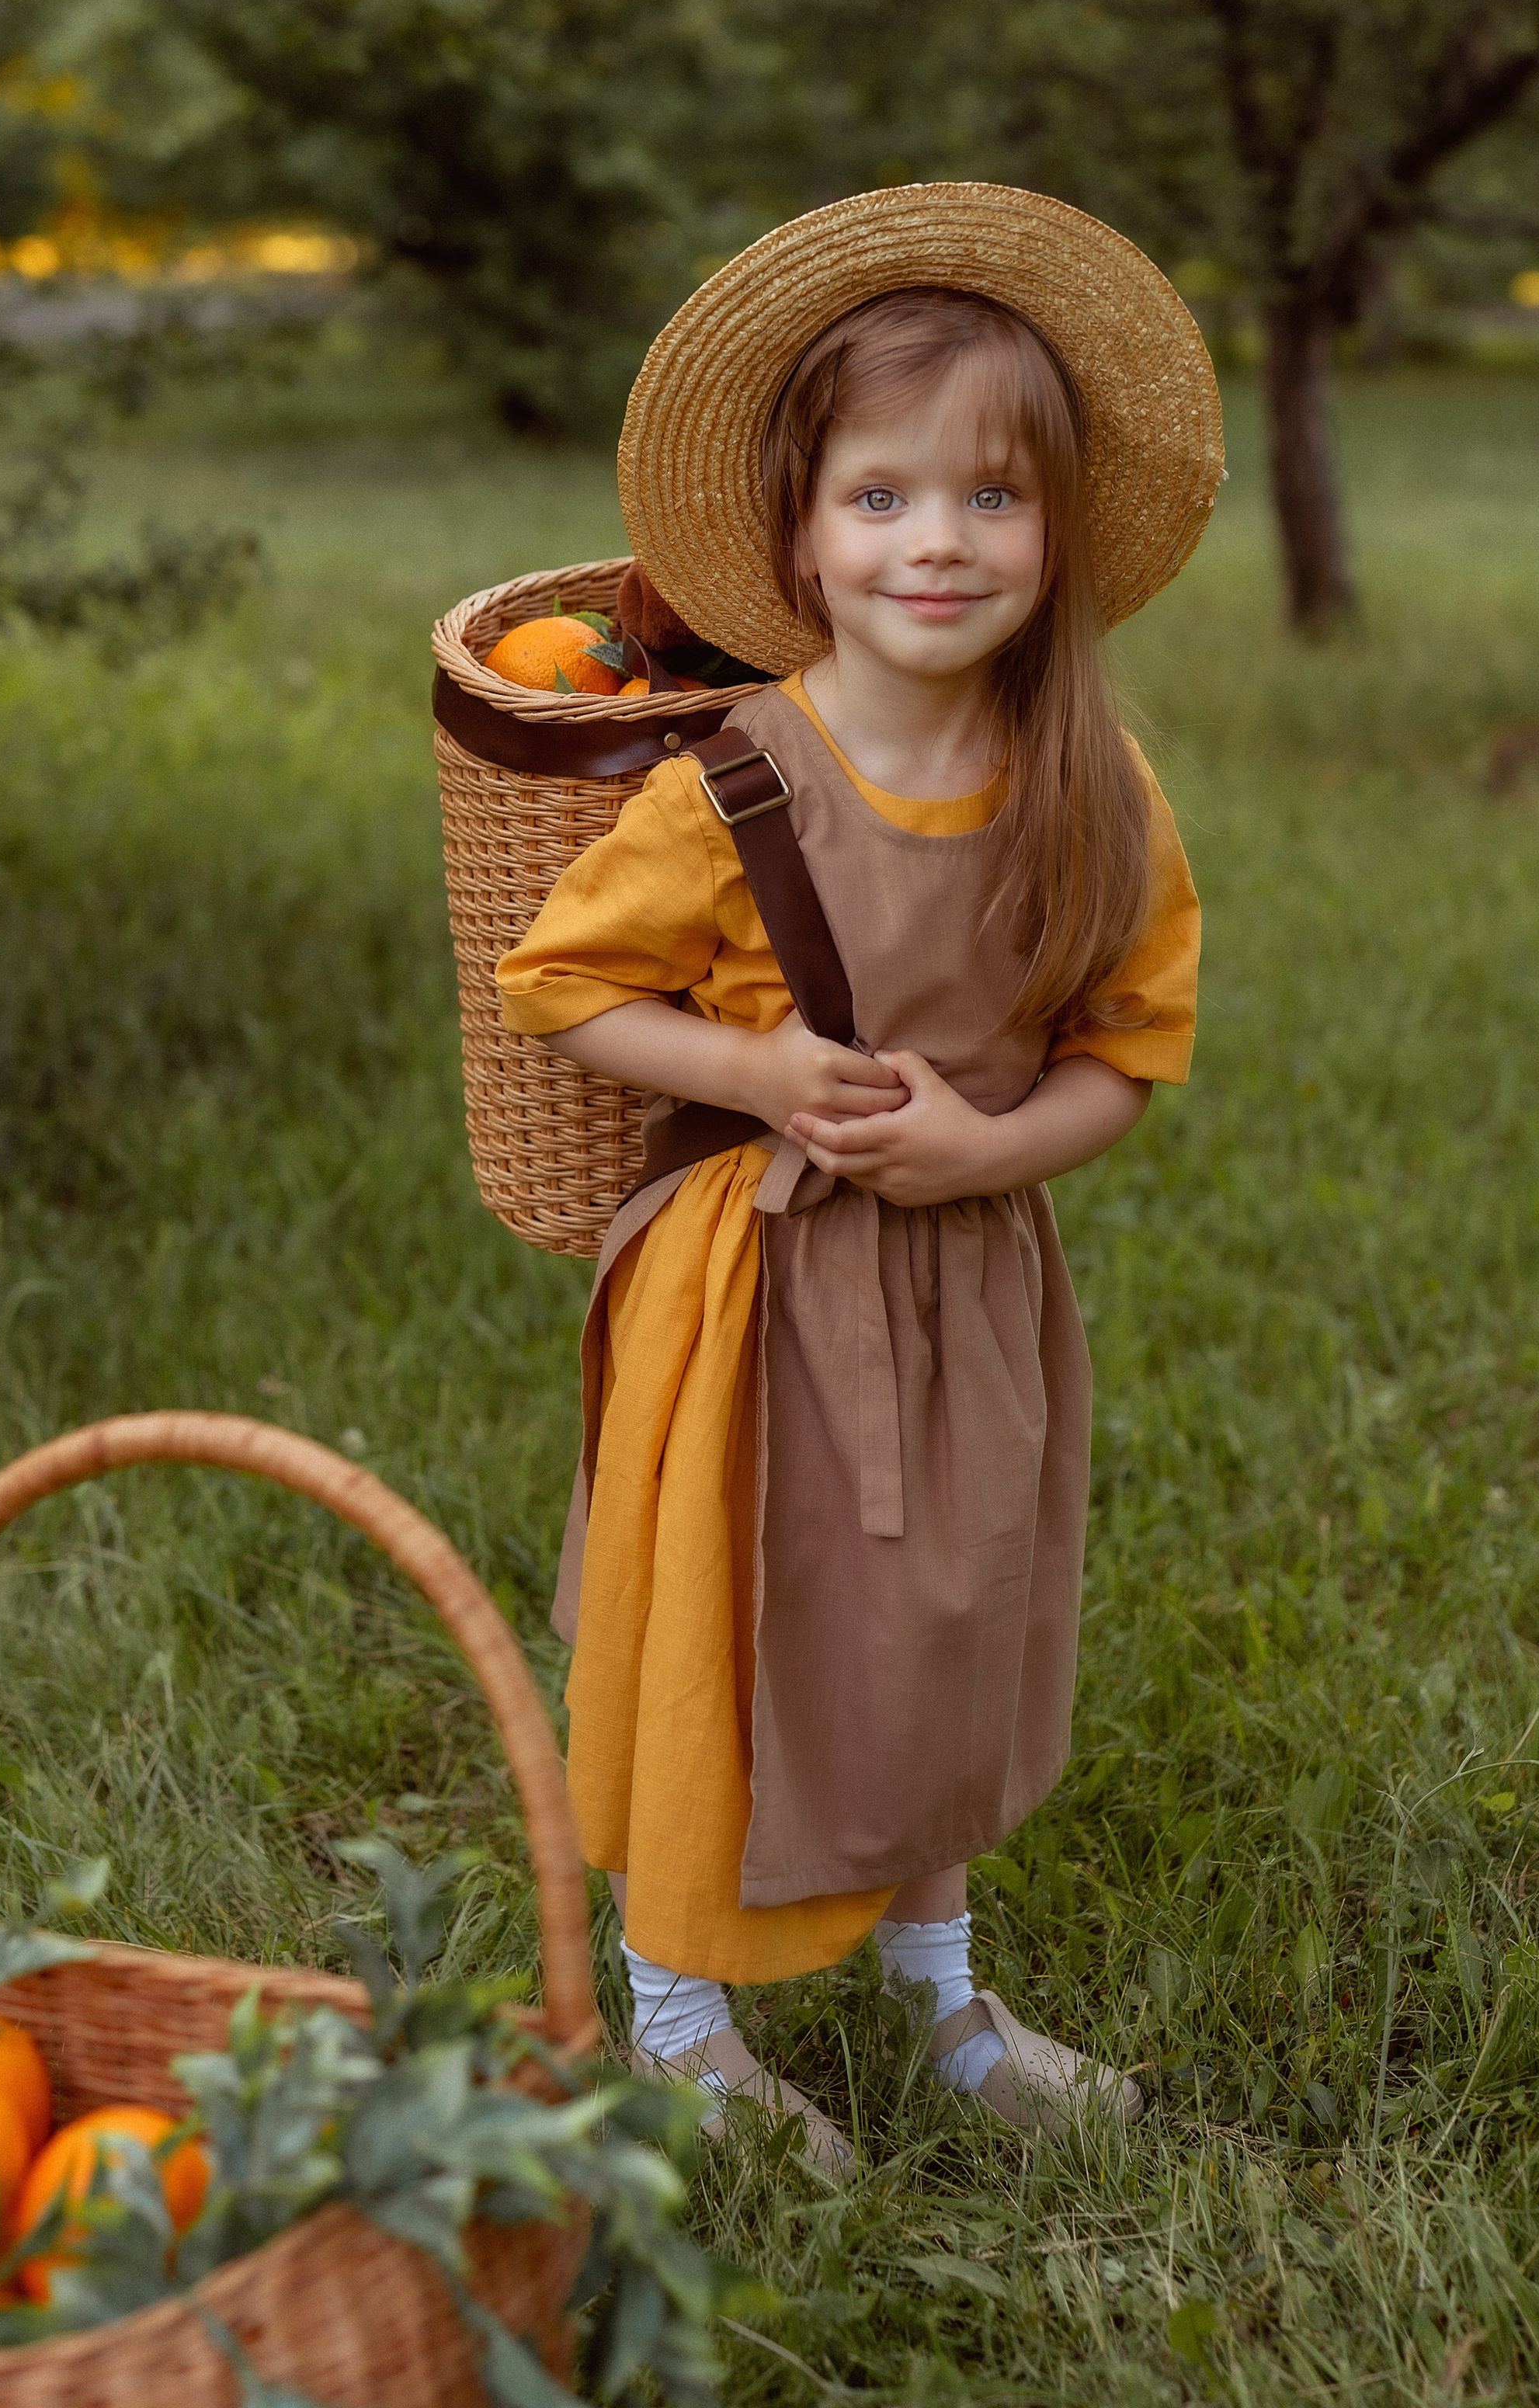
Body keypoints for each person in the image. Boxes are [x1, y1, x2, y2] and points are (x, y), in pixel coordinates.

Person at [495, 185, 1221, 2173]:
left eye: (989, 499)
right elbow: (557, 981)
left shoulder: (1091, 781)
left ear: (1056, 531)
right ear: (804, 535)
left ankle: (940, 1989)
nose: (935, 543)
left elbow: (1125, 1052)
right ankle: (672, 2019)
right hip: (747, 1286)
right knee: (715, 1623)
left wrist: (992, 1144)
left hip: (964, 1273)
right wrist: (747, 1065)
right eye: (881, 498)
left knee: (942, 1615)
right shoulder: (730, 781)